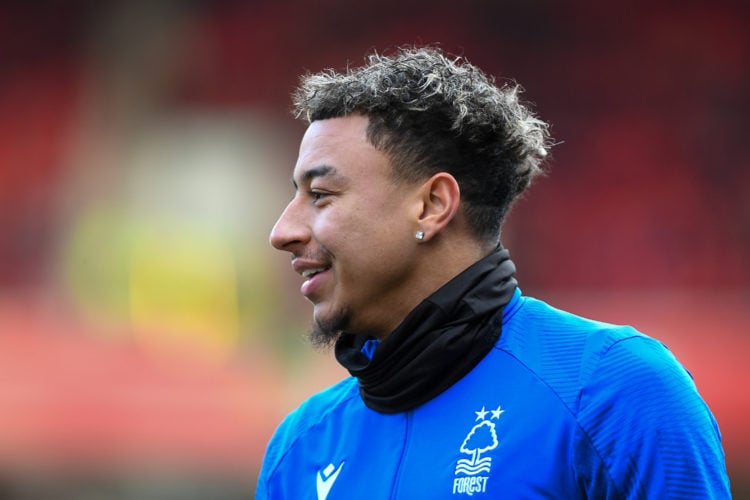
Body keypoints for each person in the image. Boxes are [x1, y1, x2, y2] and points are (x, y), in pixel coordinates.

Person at [256, 46, 730, 499]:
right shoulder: (300, 447)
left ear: (432, 205)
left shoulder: (615, 390)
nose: (282, 231)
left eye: (320, 195)